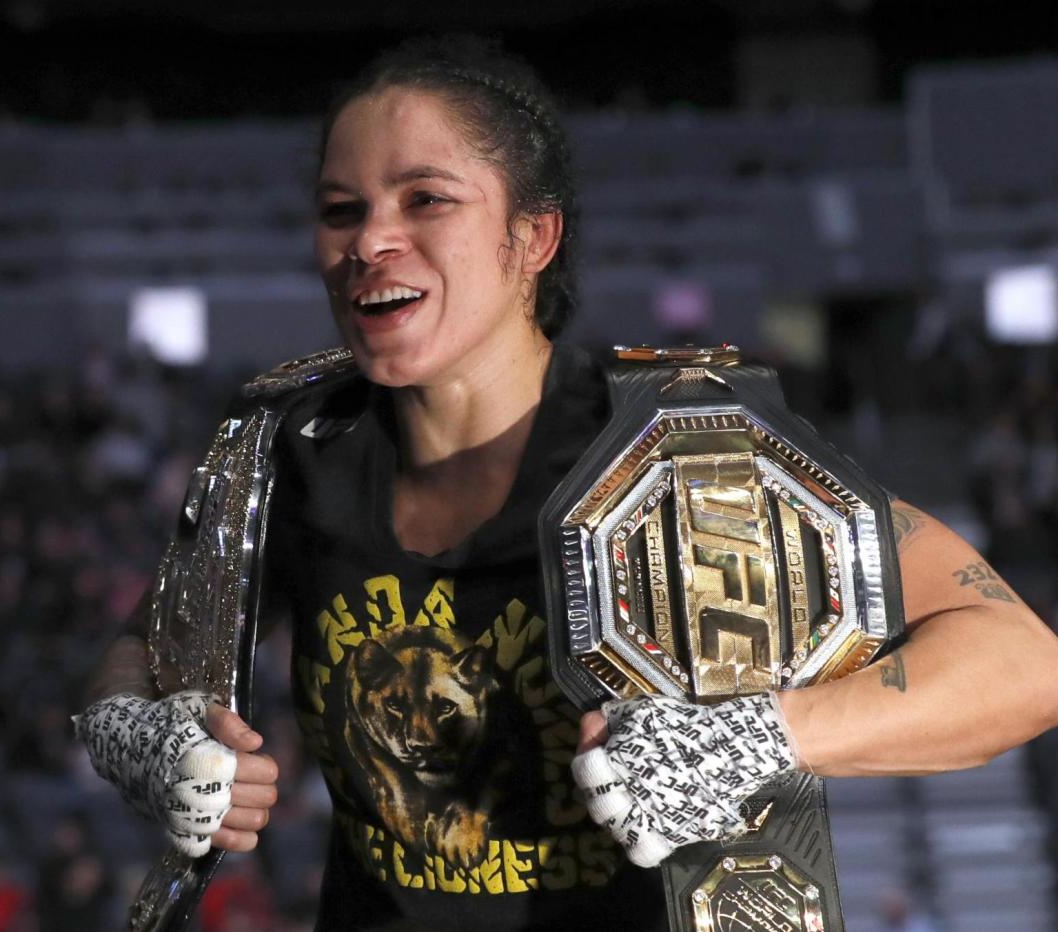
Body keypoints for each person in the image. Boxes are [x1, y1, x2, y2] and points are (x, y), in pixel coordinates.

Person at [77, 36, 1058, 932]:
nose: (371, 239)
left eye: (427, 198)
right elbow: (146, 645)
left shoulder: (691, 452)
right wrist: (142, 734)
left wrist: (763, 734)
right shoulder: (293, 448)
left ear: (530, 240)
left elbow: (1023, 662)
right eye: (344, 209)